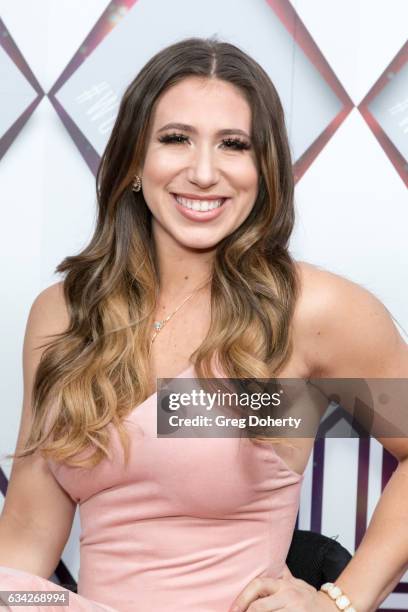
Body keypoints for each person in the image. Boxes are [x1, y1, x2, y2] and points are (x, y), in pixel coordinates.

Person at [0, 36, 407, 612]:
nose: (203, 171)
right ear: (134, 162)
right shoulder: (67, 313)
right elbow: (26, 540)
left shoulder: (309, 312)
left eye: (233, 145)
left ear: (262, 170)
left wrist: (340, 602)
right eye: (175, 139)